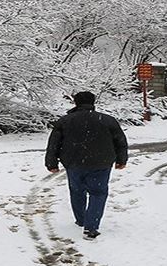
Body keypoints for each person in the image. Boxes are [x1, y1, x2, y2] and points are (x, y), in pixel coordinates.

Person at [45, 91, 128, 240]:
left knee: (77, 191)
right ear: (93, 102)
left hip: (74, 163)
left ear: (75, 103)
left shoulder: (65, 121)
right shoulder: (107, 120)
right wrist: (121, 159)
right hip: (101, 163)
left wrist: (51, 162)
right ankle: (91, 226)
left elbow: (54, 143)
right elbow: (120, 141)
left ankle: (81, 219)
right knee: (98, 193)